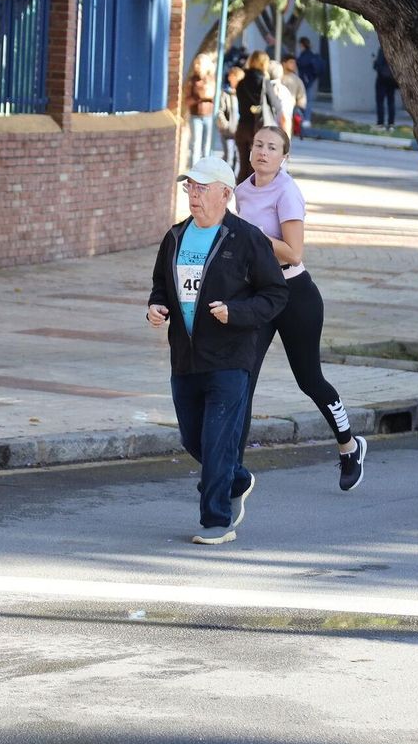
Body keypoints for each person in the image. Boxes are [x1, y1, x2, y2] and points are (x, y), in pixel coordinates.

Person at [148, 157, 289, 545]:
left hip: (230, 358)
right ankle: (237, 478)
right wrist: (156, 306)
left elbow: (276, 294)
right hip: (185, 357)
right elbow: (162, 284)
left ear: (225, 194)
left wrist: (237, 313)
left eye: (202, 188)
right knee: (193, 439)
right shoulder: (175, 236)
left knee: (215, 441)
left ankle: (216, 521)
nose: (194, 195)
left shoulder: (246, 238)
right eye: (190, 187)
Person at [235, 126, 367, 490]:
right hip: (258, 294)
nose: (263, 151)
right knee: (242, 380)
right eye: (258, 144)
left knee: (309, 379)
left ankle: (349, 446)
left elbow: (293, 252)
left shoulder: (287, 192)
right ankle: (230, 470)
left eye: (272, 147)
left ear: (283, 157)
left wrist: (254, 236)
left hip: (294, 291)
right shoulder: (242, 191)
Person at [235, 51, 275, 181]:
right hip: (259, 129)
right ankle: (252, 197)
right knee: (255, 167)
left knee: (243, 165)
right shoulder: (265, 82)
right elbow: (274, 104)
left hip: (242, 127)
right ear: (264, 64)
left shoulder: (241, 83)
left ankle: (240, 196)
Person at [185, 54, 217, 164]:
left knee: (207, 146)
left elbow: (214, 95)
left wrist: (208, 94)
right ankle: (194, 175)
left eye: (199, 64)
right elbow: (187, 100)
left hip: (208, 115)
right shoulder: (192, 80)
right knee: (196, 145)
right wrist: (199, 96)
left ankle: (205, 173)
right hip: (196, 116)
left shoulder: (211, 79)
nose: (197, 66)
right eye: (196, 64)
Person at [217, 65, 244, 164]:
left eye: (234, 77)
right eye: (231, 77)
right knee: (228, 156)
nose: (231, 79)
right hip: (227, 132)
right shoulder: (225, 93)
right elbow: (220, 111)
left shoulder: (242, 94)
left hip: (239, 131)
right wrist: (226, 125)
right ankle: (224, 177)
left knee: (238, 157)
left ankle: (235, 178)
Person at [267, 60, 296, 136]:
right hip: (275, 135)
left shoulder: (259, 88)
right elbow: (284, 118)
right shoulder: (282, 91)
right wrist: (285, 140)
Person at [295, 37, 324, 114]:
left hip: (306, 80)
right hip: (311, 79)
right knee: (308, 100)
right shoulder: (310, 54)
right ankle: (305, 118)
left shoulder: (305, 55)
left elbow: (301, 64)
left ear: (301, 45)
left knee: (305, 100)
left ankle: (305, 118)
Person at [279, 54, 308, 130]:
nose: (294, 65)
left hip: (289, 113)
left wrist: (298, 111)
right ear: (284, 63)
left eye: (295, 63)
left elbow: (301, 99)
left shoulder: (297, 80)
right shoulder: (277, 77)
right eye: (291, 62)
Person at [372, 47, 398, 129]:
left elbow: (378, 65)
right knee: (391, 102)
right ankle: (391, 123)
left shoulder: (383, 49)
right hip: (392, 80)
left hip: (382, 80)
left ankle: (380, 123)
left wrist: (374, 63)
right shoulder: (396, 50)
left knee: (380, 102)